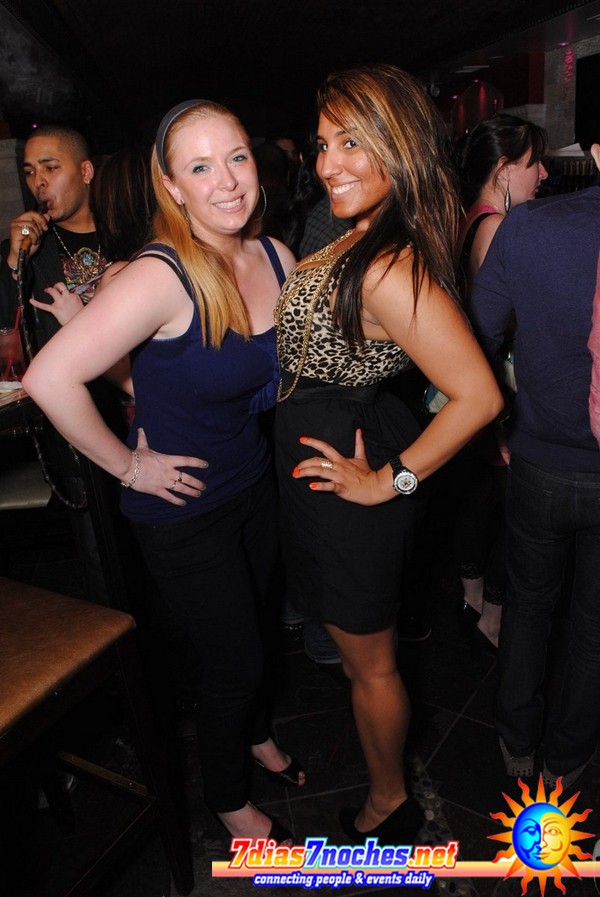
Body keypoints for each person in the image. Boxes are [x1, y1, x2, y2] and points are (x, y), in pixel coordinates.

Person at [22, 99, 302, 842]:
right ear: (172, 187)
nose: (227, 181)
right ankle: (226, 795)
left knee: (260, 629)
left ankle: (254, 731)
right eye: (200, 167)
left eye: (236, 157)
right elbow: (49, 378)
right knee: (234, 660)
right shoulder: (161, 275)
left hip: (252, 483)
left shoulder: (277, 257)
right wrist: (129, 466)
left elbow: (196, 373)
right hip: (181, 508)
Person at [273, 64, 503, 843]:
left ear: (398, 146)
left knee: (372, 664)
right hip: (325, 469)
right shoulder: (360, 235)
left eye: (351, 142)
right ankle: (387, 784)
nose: (327, 162)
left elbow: (479, 395)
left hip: (353, 482)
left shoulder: (387, 262)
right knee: (355, 652)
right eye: (322, 143)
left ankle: (387, 800)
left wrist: (387, 483)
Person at [470, 141, 600, 788]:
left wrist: (492, 421)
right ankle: (568, 756)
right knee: (594, 625)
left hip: (540, 459)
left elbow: (478, 337)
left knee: (528, 605)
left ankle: (517, 740)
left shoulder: (529, 226)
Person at [0, 124, 119, 605]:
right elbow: (7, 329)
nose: (39, 182)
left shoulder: (124, 232)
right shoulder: (29, 249)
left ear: (86, 171)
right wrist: (14, 260)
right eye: (30, 171)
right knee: (99, 550)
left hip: (133, 403)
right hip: (73, 421)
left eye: (51, 167)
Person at [452, 114, 548, 650]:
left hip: (476, 379)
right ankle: (487, 609)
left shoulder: (472, 216)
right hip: (494, 383)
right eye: (535, 164)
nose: (544, 175)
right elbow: (497, 323)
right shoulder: (496, 227)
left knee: (483, 498)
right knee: (510, 505)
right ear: (506, 169)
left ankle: (471, 599)